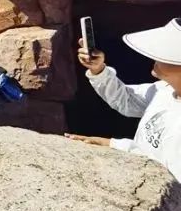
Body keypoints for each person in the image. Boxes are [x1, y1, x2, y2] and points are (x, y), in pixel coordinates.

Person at [66, 19, 181, 180]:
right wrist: (98, 69)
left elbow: (169, 176)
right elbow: (126, 100)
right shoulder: (164, 89)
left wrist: (112, 145)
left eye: (164, 54)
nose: (155, 57)